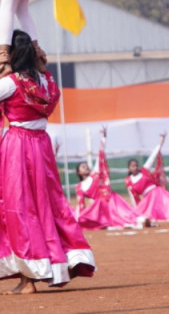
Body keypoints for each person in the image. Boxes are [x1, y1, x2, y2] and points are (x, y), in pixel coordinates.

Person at [0, 30, 94, 291]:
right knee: (48, 204)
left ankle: (29, 277)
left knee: (19, 207)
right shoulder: (46, 80)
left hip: (18, 146)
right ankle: (66, 259)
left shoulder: (10, 83)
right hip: (42, 146)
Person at [75, 127, 148, 231]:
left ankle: (142, 220)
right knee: (102, 221)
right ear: (79, 172)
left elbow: (100, 156)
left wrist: (103, 138)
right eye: (83, 167)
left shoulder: (95, 174)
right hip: (99, 207)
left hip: (111, 199)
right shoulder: (79, 187)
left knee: (125, 215)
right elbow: (80, 205)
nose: (86, 167)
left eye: (86, 166)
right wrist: (79, 218)